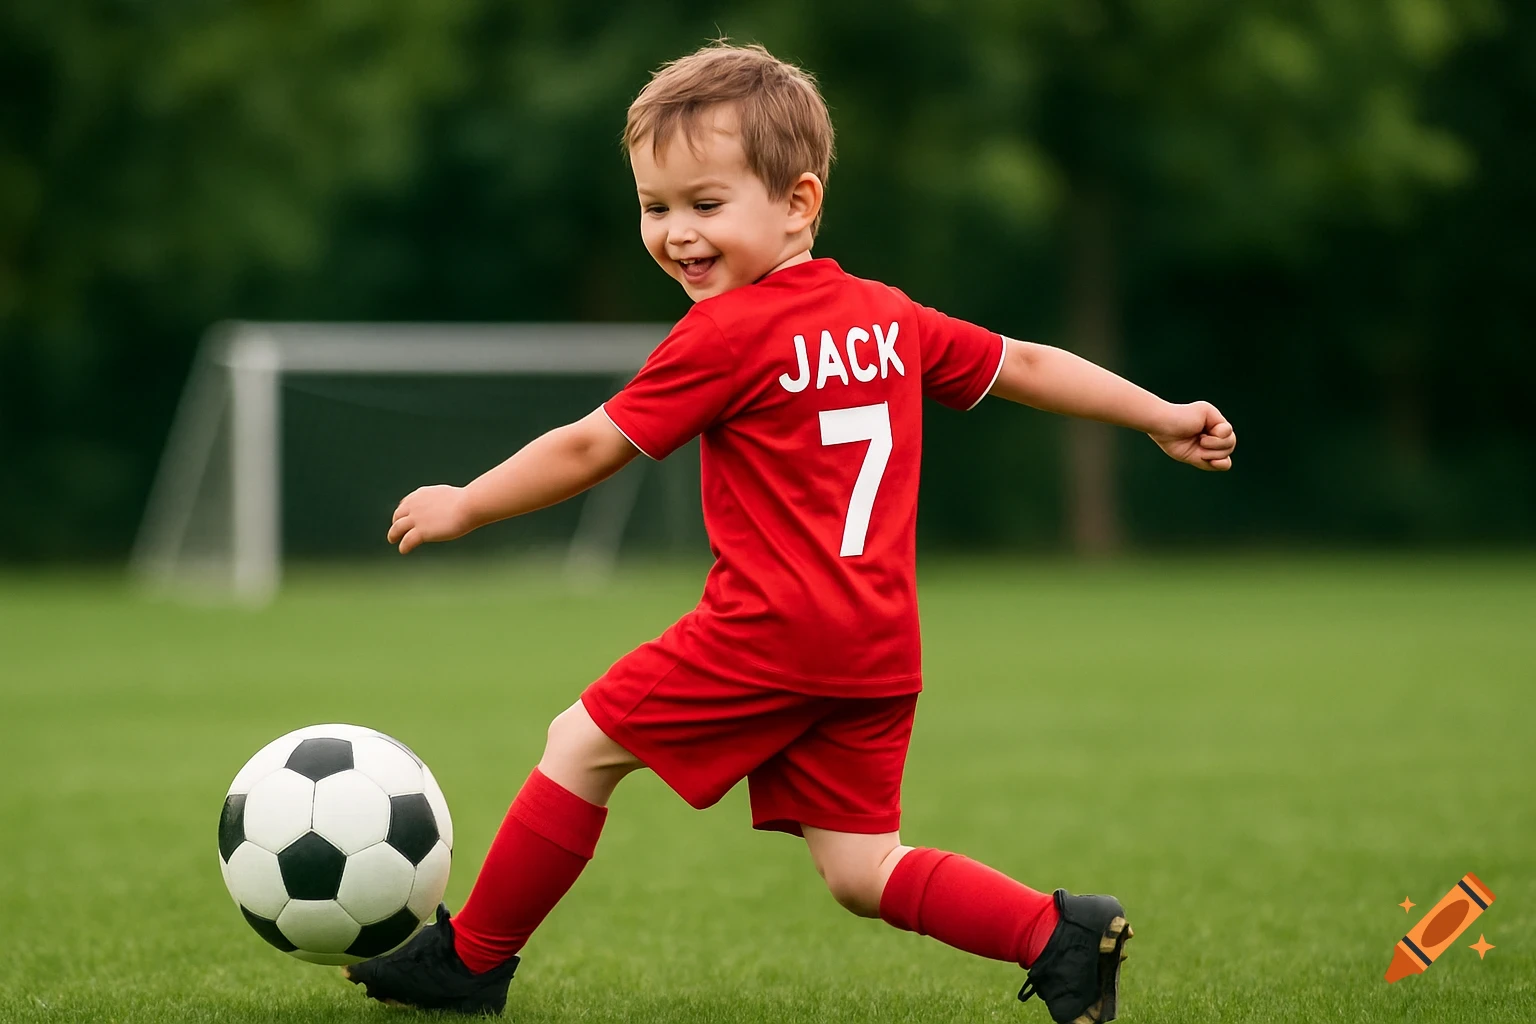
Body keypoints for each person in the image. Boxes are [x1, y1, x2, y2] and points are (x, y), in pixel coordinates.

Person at [345, 41, 1235, 1023]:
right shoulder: (886, 316)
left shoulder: (727, 333)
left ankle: (471, 960)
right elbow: (1021, 363)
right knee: (861, 869)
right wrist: (1156, 410)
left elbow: (596, 444)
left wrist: (469, 499)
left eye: (705, 204)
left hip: (769, 631)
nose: (677, 232)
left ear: (799, 203)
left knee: (579, 745)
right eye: (656, 206)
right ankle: (1054, 933)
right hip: (877, 647)